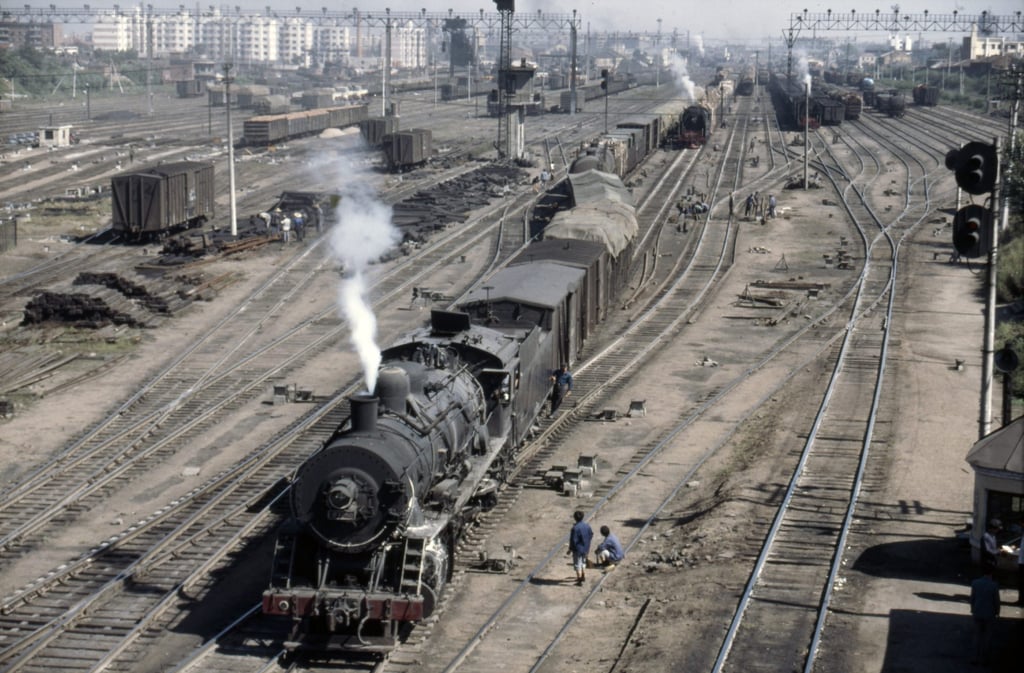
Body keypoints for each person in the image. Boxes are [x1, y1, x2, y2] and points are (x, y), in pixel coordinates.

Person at [969, 564, 1001, 665]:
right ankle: (985, 658)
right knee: (988, 636)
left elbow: (972, 598)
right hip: (989, 613)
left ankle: (975, 657)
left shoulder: (975, 583)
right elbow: (996, 601)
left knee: (977, 635)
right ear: (991, 573)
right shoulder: (994, 585)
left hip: (977, 611)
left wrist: (972, 609)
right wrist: (997, 612)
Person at [568, 511, 593, 585]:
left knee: (577, 563)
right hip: (586, 548)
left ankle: (579, 580)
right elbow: (591, 535)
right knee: (583, 562)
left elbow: (573, 540)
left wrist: (570, 549)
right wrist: (586, 543)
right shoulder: (587, 526)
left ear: (575, 518)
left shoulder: (575, 528)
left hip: (578, 549)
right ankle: (583, 575)